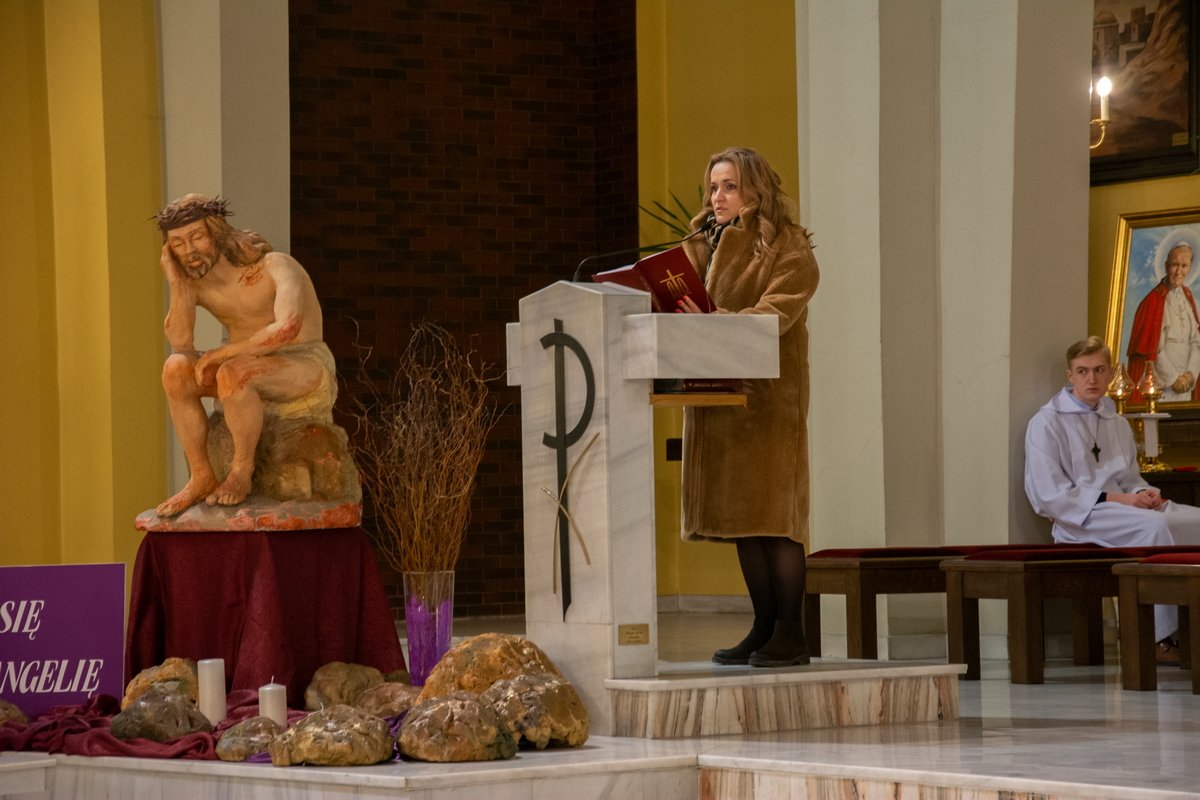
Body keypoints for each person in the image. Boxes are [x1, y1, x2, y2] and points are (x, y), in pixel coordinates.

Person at [676, 147, 819, 667]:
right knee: (744, 521)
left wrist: (711, 322)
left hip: (769, 404)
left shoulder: (789, 246)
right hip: (718, 403)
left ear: (756, 190)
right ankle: (763, 626)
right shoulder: (701, 243)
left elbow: (774, 315)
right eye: (713, 187)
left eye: (730, 186)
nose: (717, 197)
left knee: (775, 520)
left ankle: (791, 633)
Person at [1024, 336, 1200, 662]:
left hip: (1121, 509)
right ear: (1070, 375)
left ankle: (1192, 631)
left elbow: (1129, 478)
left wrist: (1142, 493)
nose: (1091, 379)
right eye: (1082, 371)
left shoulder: (1115, 421)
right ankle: (1153, 637)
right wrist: (1120, 499)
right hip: (1081, 518)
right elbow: (1051, 494)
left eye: (1099, 370)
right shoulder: (1046, 423)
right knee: (1157, 529)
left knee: (1195, 520)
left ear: (1109, 373)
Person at [154, 194, 332, 516]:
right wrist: (177, 282)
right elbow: (180, 340)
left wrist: (225, 353)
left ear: (217, 232)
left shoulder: (275, 265)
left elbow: (287, 329)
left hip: (302, 365)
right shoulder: (195, 283)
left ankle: (240, 473)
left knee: (233, 371)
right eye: (178, 243)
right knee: (175, 369)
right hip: (242, 364)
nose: (189, 250)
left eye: (196, 237)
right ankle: (202, 476)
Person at [1127, 243, 1200, 402]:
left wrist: (1191, 374)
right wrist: (1173, 378)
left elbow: (1196, 342)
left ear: (1190, 268)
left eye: (1184, 266)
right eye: (1174, 265)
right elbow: (1153, 349)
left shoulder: (1188, 297)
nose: (1178, 272)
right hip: (1162, 384)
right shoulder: (1153, 300)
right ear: (1166, 266)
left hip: (1186, 384)